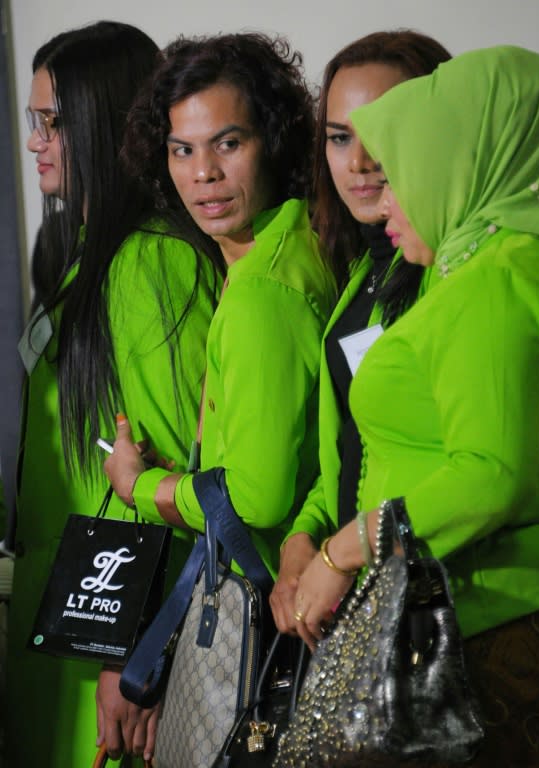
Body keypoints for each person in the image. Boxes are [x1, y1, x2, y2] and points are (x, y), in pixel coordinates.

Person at [292, 45, 539, 766]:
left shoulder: (498, 278)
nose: (381, 195)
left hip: (491, 622)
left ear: (463, 163)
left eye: (403, 170)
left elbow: (490, 476)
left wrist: (339, 551)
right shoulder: (483, 266)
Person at [103, 32, 336, 762]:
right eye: (181, 150)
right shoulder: (294, 244)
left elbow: (258, 497)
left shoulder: (263, 288)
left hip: (267, 627)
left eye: (227, 143)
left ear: (274, 139)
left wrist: (141, 486)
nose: (203, 173)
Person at [6, 21, 221, 767]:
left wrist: (133, 657)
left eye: (55, 123)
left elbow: (181, 477)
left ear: (106, 126)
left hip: (106, 639)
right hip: (63, 619)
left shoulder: (151, 265)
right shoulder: (87, 262)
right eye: (36, 120)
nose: (36, 141)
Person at [270, 31, 451, 635]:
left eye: (383, 130)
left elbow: (472, 467)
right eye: (340, 137)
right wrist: (304, 535)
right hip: (358, 589)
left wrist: (340, 552)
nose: (359, 161)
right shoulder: (359, 272)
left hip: (433, 596)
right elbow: (353, 444)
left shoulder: (453, 273)